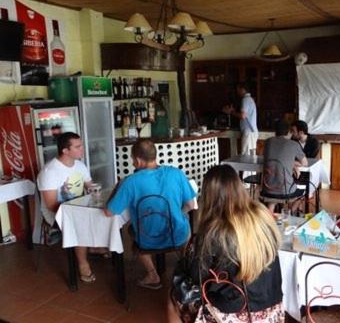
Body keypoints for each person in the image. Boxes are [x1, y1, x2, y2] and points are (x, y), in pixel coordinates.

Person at [168, 165, 284, 322]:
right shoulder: (262, 215)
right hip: (271, 309)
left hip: (235, 314)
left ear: (208, 197)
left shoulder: (212, 232)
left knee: (173, 296)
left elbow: (198, 279)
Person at [105, 139, 196, 289]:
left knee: (132, 230)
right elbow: (190, 205)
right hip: (177, 236)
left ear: (138, 160)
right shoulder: (176, 173)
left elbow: (109, 212)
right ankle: (187, 266)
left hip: (148, 239)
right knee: (183, 222)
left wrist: (117, 188)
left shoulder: (130, 182)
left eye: (133, 159)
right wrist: (176, 214)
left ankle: (152, 274)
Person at [37, 132, 95, 282]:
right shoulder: (49, 172)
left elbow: (90, 186)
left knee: (105, 215)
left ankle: (94, 245)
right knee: (80, 225)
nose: (82, 149)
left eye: (81, 145)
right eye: (78, 147)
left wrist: (95, 192)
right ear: (65, 151)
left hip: (79, 207)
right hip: (57, 212)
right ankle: (83, 263)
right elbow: (51, 205)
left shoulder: (80, 165)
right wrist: (76, 214)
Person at [262, 120, 308, 212]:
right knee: (304, 190)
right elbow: (305, 163)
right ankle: (290, 212)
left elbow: (273, 158)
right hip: (286, 190)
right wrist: (292, 164)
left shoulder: (267, 142)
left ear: (275, 131)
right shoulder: (293, 144)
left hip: (267, 189)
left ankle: (269, 219)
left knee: (273, 198)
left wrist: (289, 163)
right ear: (288, 132)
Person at [223, 83, 258, 155]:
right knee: (251, 156)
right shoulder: (250, 99)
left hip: (248, 132)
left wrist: (231, 112)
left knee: (245, 156)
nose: (237, 92)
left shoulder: (245, 100)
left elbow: (242, 116)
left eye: (238, 90)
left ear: (243, 89)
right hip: (252, 131)